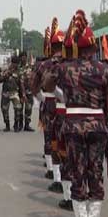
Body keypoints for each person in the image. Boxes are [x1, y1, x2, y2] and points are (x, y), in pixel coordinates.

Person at [44, 9, 108, 217]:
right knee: (95, 170)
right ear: (94, 49)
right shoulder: (105, 70)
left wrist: (63, 94)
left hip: (73, 124)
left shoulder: (65, 69)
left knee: (76, 169)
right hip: (98, 125)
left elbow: (46, 86)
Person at [33, 19, 70, 206]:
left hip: (49, 105)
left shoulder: (44, 65)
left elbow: (33, 85)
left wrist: (41, 99)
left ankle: (56, 178)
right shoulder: (70, 63)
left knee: (52, 140)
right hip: (70, 108)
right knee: (70, 147)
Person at [1, 56, 24, 132]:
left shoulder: (19, 72)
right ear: (12, 63)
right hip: (6, 93)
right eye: (14, 63)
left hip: (15, 93)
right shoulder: (6, 69)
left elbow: (21, 84)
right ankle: (7, 125)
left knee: (18, 108)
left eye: (17, 64)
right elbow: (1, 79)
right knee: (4, 109)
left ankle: (16, 125)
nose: (16, 65)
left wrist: (22, 95)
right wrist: (8, 73)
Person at [18, 52, 35, 132]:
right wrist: (23, 93)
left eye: (25, 57)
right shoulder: (18, 68)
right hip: (20, 92)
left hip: (29, 92)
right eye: (22, 57)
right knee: (20, 109)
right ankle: (20, 124)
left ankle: (27, 125)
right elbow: (20, 81)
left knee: (29, 108)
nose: (23, 58)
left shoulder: (30, 67)